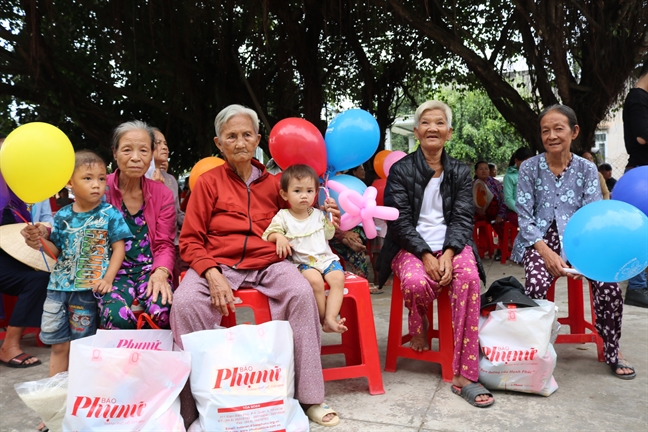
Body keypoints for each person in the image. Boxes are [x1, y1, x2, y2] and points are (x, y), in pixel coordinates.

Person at [170, 104, 340, 427]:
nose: (240, 142)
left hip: (268, 261)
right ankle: (191, 410)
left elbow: (299, 215)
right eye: (231, 136)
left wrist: (325, 210)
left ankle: (310, 398)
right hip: (218, 261)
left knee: (301, 294)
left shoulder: (274, 183)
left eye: (247, 135)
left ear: (258, 139)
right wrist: (211, 272)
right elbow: (190, 240)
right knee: (185, 302)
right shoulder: (207, 183)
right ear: (218, 144)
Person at [377, 100, 492, 408]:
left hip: (452, 245)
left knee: (467, 277)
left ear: (449, 133)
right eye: (426, 123)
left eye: (439, 123)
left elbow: (464, 217)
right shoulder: (401, 170)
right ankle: (420, 322)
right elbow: (398, 221)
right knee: (415, 281)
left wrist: (451, 252)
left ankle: (464, 374)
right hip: (410, 246)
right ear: (416, 131)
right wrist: (427, 254)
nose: (432, 128)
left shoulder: (459, 171)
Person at [511, 104, 635, 380]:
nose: (552, 135)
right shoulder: (530, 168)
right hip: (540, 240)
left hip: (582, 239)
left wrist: (574, 256)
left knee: (609, 286)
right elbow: (524, 217)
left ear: (574, 131)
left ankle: (612, 349)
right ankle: (535, 351)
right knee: (535, 284)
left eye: (558, 129)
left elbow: (591, 216)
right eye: (546, 130)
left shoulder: (586, 169)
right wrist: (547, 253)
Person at [21, 150, 131, 379]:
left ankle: (81, 397)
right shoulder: (61, 216)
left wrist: (108, 278)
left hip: (86, 291)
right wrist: (39, 242)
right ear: (70, 182)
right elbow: (57, 251)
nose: (97, 185)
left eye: (102, 178)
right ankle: (56, 403)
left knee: (83, 348)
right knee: (59, 346)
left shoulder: (109, 213)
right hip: (57, 290)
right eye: (88, 178)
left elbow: (119, 248)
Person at [100, 120, 176, 329]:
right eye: (127, 150)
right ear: (115, 153)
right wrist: (46, 232)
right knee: (116, 317)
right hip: (111, 272)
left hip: (149, 270)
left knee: (162, 310)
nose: (135, 158)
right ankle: (125, 361)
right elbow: (76, 220)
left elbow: (164, 243)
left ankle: (155, 360)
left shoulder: (162, 194)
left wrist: (160, 272)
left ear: (151, 154)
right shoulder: (100, 189)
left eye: (143, 150)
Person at [263, 164, 347, 333]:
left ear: (316, 193)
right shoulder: (283, 216)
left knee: (338, 278)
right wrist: (279, 237)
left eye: (309, 191)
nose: (304, 196)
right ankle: (323, 320)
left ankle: (331, 317)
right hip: (303, 262)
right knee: (315, 282)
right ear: (284, 194)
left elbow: (328, 235)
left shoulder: (318, 214)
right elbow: (268, 234)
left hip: (325, 258)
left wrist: (330, 220)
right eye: (297, 191)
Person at [0, 133, 49, 369]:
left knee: (41, 277)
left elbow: (25, 225)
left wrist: (34, 233)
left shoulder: (19, 190)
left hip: (9, 253)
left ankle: (11, 344)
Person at [622, 61, 648, 308]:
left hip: (642, 175)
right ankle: (638, 287)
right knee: (640, 233)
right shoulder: (638, 98)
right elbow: (642, 135)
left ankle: (642, 285)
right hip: (642, 178)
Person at [151, 128, 187, 284]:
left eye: (165, 143)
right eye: (158, 143)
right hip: (152, 245)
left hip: (174, 243)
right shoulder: (138, 178)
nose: (165, 147)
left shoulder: (171, 180)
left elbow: (177, 213)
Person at [473, 160, 507, 260]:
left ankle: (502, 250)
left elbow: (503, 200)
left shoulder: (496, 183)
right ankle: (474, 252)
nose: (484, 171)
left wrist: (500, 215)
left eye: (486, 169)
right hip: (479, 214)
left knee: (501, 224)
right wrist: (477, 209)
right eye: (481, 169)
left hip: (495, 214)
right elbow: (468, 201)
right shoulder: (472, 185)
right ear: (475, 172)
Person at [503, 147, 535, 226]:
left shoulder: (534, 174)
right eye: (524, 161)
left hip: (532, 210)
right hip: (515, 212)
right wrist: (521, 210)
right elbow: (508, 199)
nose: (528, 164)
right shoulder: (509, 177)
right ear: (516, 161)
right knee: (531, 224)